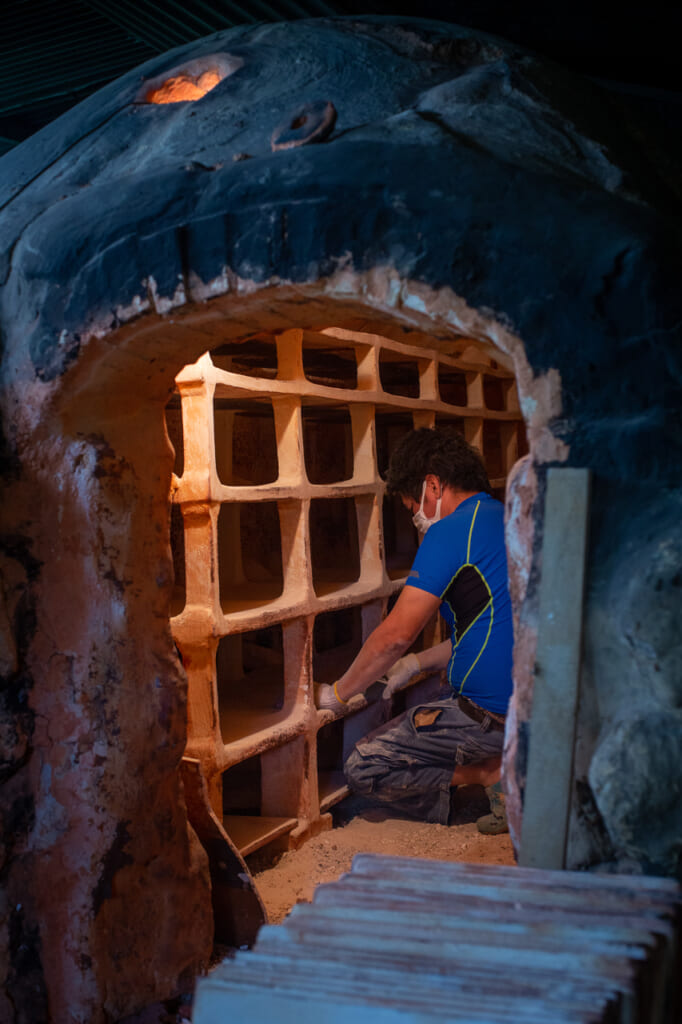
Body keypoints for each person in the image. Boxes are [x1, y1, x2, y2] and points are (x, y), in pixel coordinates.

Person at [316, 427, 513, 834]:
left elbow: (395, 635)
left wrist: (338, 693)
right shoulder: (503, 516)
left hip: (490, 718)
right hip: (528, 706)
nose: (416, 518)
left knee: (366, 765)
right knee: (426, 690)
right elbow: (486, 629)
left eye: (413, 505)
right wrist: (416, 663)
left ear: (433, 485)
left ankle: (489, 774)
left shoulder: (453, 529)